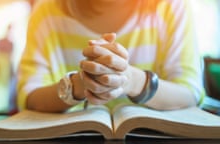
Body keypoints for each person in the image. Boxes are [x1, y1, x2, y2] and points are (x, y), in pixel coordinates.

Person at [17, 0, 205, 112]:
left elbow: (190, 93)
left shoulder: (170, 7)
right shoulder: (47, 12)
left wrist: (133, 81)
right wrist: (79, 84)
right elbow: (29, 96)